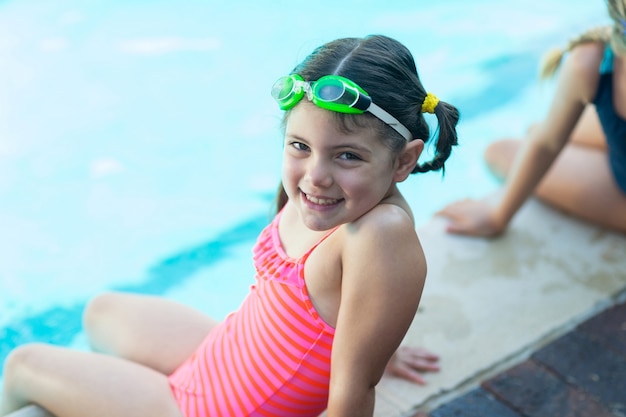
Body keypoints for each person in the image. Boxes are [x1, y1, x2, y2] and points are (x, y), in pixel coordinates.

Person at [1, 34, 459, 417]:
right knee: (100, 311)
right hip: (226, 356)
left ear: (403, 160)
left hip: (207, 409)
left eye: (347, 155)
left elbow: (353, 391)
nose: (315, 176)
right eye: (300, 145)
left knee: (23, 364)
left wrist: (374, 356)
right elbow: (349, 306)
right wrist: (381, 340)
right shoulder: (327, 197)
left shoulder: (380, 234)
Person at [438, 0, 626, 236]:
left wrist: (498, 216)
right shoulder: (590, 63)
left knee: (502, 152)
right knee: (537, 133)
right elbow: (547, 142)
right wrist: (498, 217)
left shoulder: (593, 62)